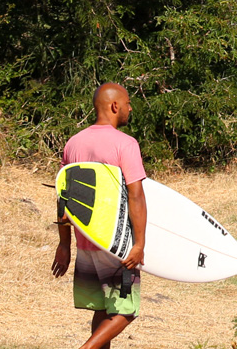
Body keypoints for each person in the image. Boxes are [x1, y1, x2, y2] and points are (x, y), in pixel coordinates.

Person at [52, 83, 147, 349]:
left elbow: (63, 197)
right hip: (116, 244)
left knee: (103, 308)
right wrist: (138, 244)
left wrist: (64, 244)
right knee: (125, 310)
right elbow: (137, 196)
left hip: (86, 240)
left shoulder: (74, 143)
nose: (130, 108)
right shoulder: (125, 144)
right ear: (115, 106)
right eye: (128, 103)